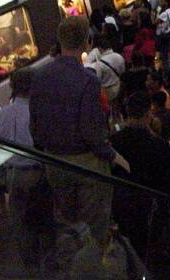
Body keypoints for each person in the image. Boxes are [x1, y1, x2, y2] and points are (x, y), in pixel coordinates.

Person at [29, 16, 130, 246]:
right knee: (94, 227)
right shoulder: (88, 80)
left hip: (53, 162)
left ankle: (71, 264)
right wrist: (113, 156)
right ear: (87, 42)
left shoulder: (39, 76)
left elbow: (34, 124)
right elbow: (91, 132)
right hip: (87, 163)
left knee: (67, 226)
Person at [109, 92, 170, 258]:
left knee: (129, 249)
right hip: (151, 205)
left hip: (122, 203)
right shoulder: (158, 144)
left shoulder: (114, 141)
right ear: (148, 114)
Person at [0, 67, 49, 266]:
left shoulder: (3, 114)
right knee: (46, 223)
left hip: (13, 176)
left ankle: (30, 267)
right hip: (39, 174)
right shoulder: (40, 111)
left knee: (21, 225)